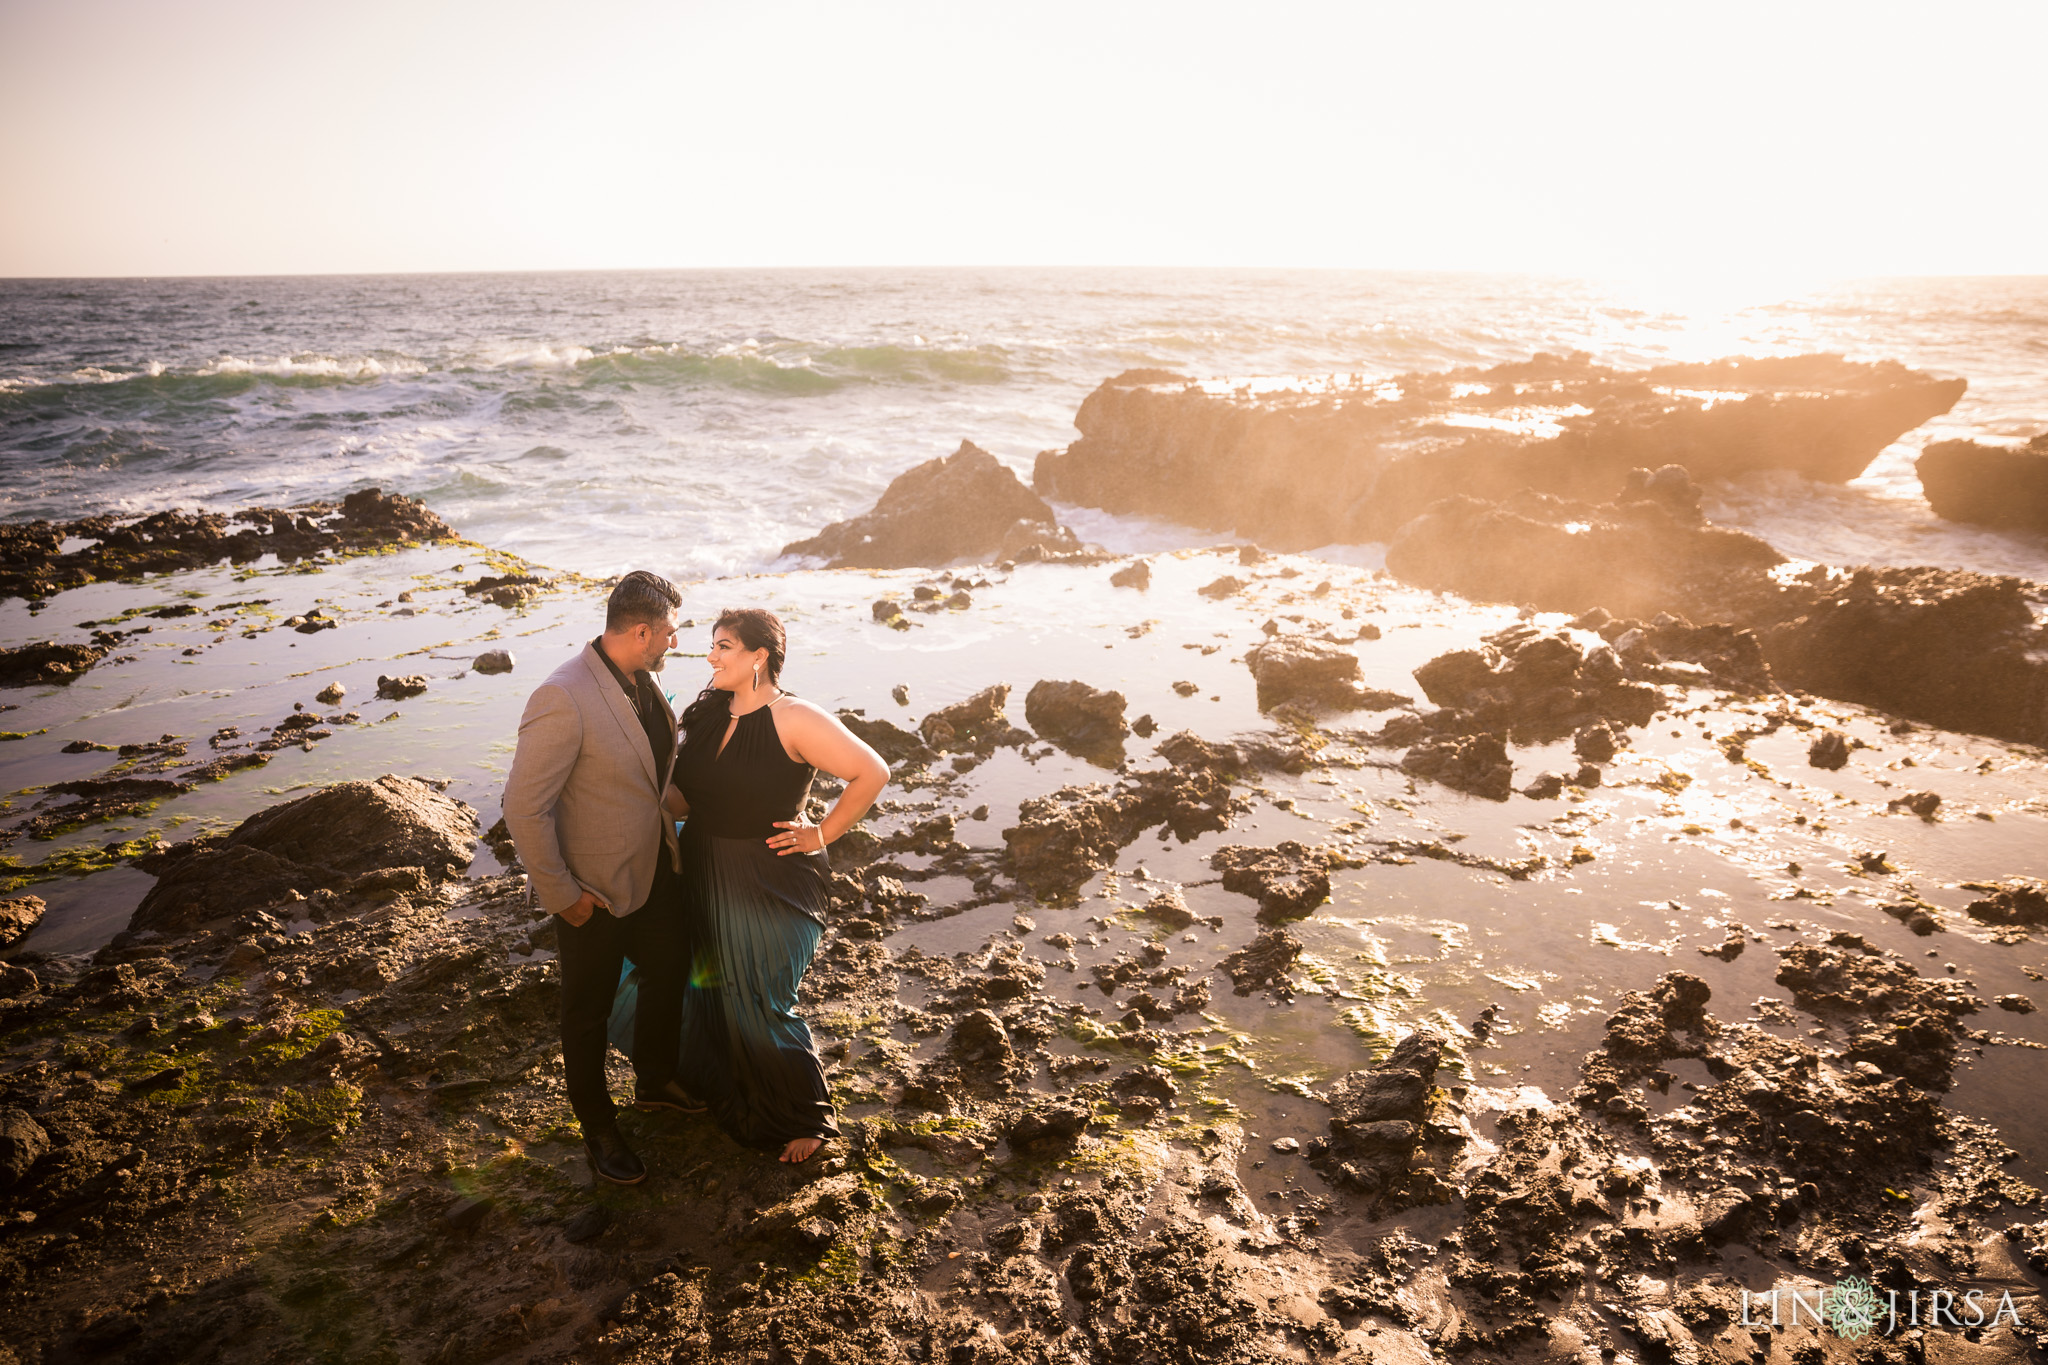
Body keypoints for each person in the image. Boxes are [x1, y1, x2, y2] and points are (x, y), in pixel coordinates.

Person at [659, 608, 887, 1163]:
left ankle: (806, 1113)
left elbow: (872, 771)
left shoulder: (795, 718)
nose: (711, 656)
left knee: (763, 995)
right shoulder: (709, 715)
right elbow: (687, 799)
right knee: (710, 992)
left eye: (725, 646)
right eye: (713, 646)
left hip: (771, 876)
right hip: (704, 867)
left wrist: (822, 833)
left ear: (759, 656)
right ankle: (729, 1087)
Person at [501, 570, 701, 1187]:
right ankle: (598, 1126)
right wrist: (565, 896)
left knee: (669, 971)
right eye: (669, 633)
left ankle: (657, 1079)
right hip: (593, 891)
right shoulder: (561, 695)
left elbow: (644, 773)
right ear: (640, 631)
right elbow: (522, 806)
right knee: (585, 1013)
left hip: (655, 871)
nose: (674, 643)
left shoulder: (645, 681)